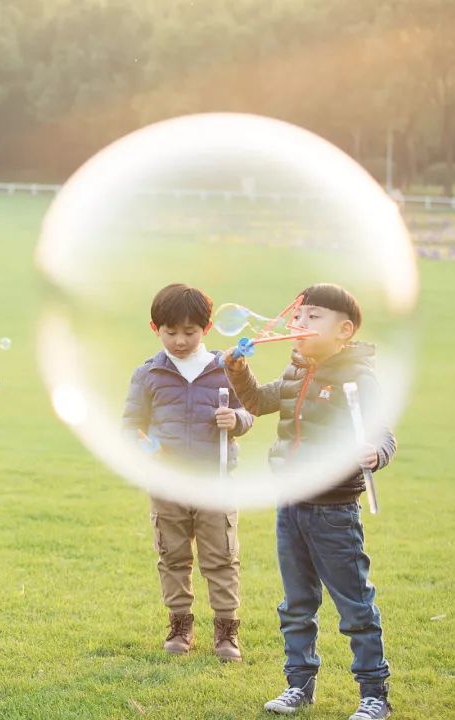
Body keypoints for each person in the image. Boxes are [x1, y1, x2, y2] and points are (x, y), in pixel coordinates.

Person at [223, 283, 395, 720]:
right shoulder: (297, 371)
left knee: (355, 605)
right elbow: (258, 402)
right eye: (298, 315)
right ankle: (299, 685)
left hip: (334, 510)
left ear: (344, 330)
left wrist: (377, 454)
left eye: (314, 316)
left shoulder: (358, 378)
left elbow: (384, 434)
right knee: (296, 604)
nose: (300, 323)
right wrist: (238, 370)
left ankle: (374, 693)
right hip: (291, 504)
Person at [122, 283, 253, 662]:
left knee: (222, 558)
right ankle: (180, 626)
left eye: (190, 332)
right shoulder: (148, 374)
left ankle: (227, 633)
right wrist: (146, 446)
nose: (180, 340)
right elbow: (131, 425)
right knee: (173, 556)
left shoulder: (228, 368)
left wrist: (237, 419)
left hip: (215, 483)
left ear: (207, 329)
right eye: (171, 331)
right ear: (155, 328)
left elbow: (250, 411)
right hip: (167, 484)